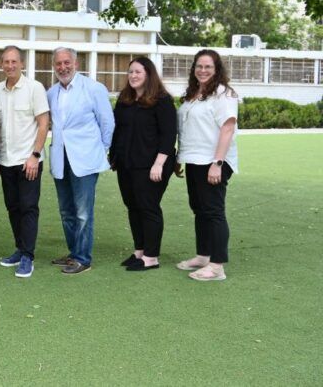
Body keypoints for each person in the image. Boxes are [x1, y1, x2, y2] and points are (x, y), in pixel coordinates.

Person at [47, 47, 114, 275]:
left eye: (67, 62)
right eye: (58, 64)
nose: (62, 67)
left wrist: (101, 150)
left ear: (76, 63)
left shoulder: (94, 89)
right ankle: (74, 252)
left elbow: (107, 123)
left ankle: (83, 258)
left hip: (85, 159)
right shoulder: (51, 92)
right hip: (60, 158)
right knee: (66, 211)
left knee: (83, 212)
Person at [109, 57, 177, 272]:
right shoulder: (125, 99)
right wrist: (115, 156)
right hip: (127, 164)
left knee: (148, 208)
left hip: (152, 166)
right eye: (130, 72)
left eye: (138, 72)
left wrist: (159, 164)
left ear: (149, 74)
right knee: (133, 207)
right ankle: (139, 251)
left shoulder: (162, 100)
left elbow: (168, 135)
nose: (133, 76)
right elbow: (118, 129)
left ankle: (151, 257)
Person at [176, 49, 238, 282]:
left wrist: (217, 163)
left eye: (208, 67)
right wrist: (180, 157)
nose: (202, 70)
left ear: (217, 69)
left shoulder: (224, 94)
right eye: (199, 66)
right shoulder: (194, 94)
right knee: (199, 210)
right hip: (194, 160)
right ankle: (203, 256)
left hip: (213, 161)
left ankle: (217, 266)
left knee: (213, 212)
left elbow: (228, 128)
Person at [0, 46, 49, 278]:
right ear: (1, 64)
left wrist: (35, 156)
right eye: (6, 62)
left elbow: (44, 124)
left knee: (28, 208)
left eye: (14, 61)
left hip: (29, 161)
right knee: (13, 207)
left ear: (22, 64)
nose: (10, 65)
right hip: (5, 160)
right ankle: (19, 248)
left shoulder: (35, 88)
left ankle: (28, 256)